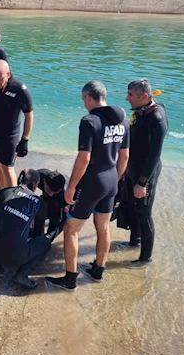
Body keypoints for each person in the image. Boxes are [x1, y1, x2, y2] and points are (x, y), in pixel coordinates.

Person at [46, 81, 129, 290]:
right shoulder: (123, 121)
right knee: (103, 226)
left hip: (93, 181)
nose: (84, 104)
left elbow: (84, 158)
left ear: (88, 98)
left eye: (84, 100)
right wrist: (115, 180)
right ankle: (98, 270)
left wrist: (72, 186)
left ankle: (70, 278)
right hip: (111, 179)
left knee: (71, 229)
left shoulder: (89, 121)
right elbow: (124, 156)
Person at [0, 169, 54, 289]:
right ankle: (22, 274)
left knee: (0, 229)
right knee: (45, 242)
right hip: (14, 256)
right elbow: (38, 233)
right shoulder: (38, 202)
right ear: (36, 184)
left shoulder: (2, 192)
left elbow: (0, 219)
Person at [125, 78, 168, 267]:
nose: (127, 99)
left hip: (146, 172)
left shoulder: (156, 119)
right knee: (132, 207)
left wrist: (142, 183)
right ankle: (134, 241)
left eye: (131, 95)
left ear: (144, 97)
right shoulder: (141, 111)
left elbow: (154, 156)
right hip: (132, 167)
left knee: (144, 213)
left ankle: (145, 258)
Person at [0, 60, 34, 197]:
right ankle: (2, 195)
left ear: (8, 74)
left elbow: (29, 115)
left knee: (7, 167)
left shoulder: (19, 89)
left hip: (10, 134)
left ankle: (12, 200)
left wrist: (25, 139)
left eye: (0, 78)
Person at [37, 168, 67, 235]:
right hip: (50, 196)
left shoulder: (66, 195)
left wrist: (49, 237)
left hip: (60, 199)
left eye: (54, 192)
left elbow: (62, 221)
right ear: (44, 181)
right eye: (49, 190)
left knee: (56, 218)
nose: (51, 194)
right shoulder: (39, 175)